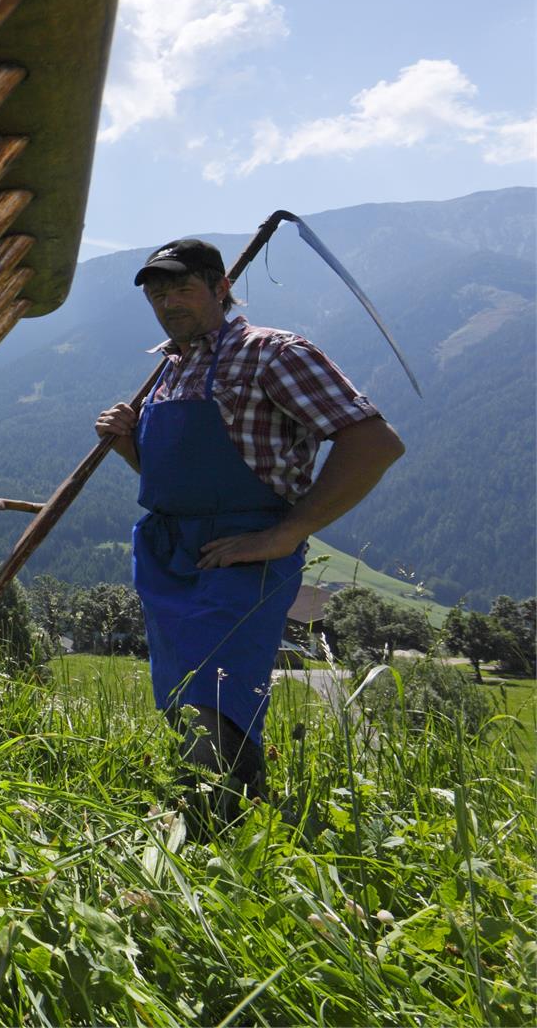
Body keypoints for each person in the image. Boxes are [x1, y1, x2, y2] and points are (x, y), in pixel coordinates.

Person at [95, 238, 404, 824]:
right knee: (181, 693)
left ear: (221, 288)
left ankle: (223, 826)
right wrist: (129, 446)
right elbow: (179, 474)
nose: (167, 302)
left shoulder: (272, 353)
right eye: (157, 294)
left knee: (220, 689)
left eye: (182, 288)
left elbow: (373, 443)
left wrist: (285, 535)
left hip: (242, 552)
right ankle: (213, 814)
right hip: (165, 552)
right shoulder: (170, 367)